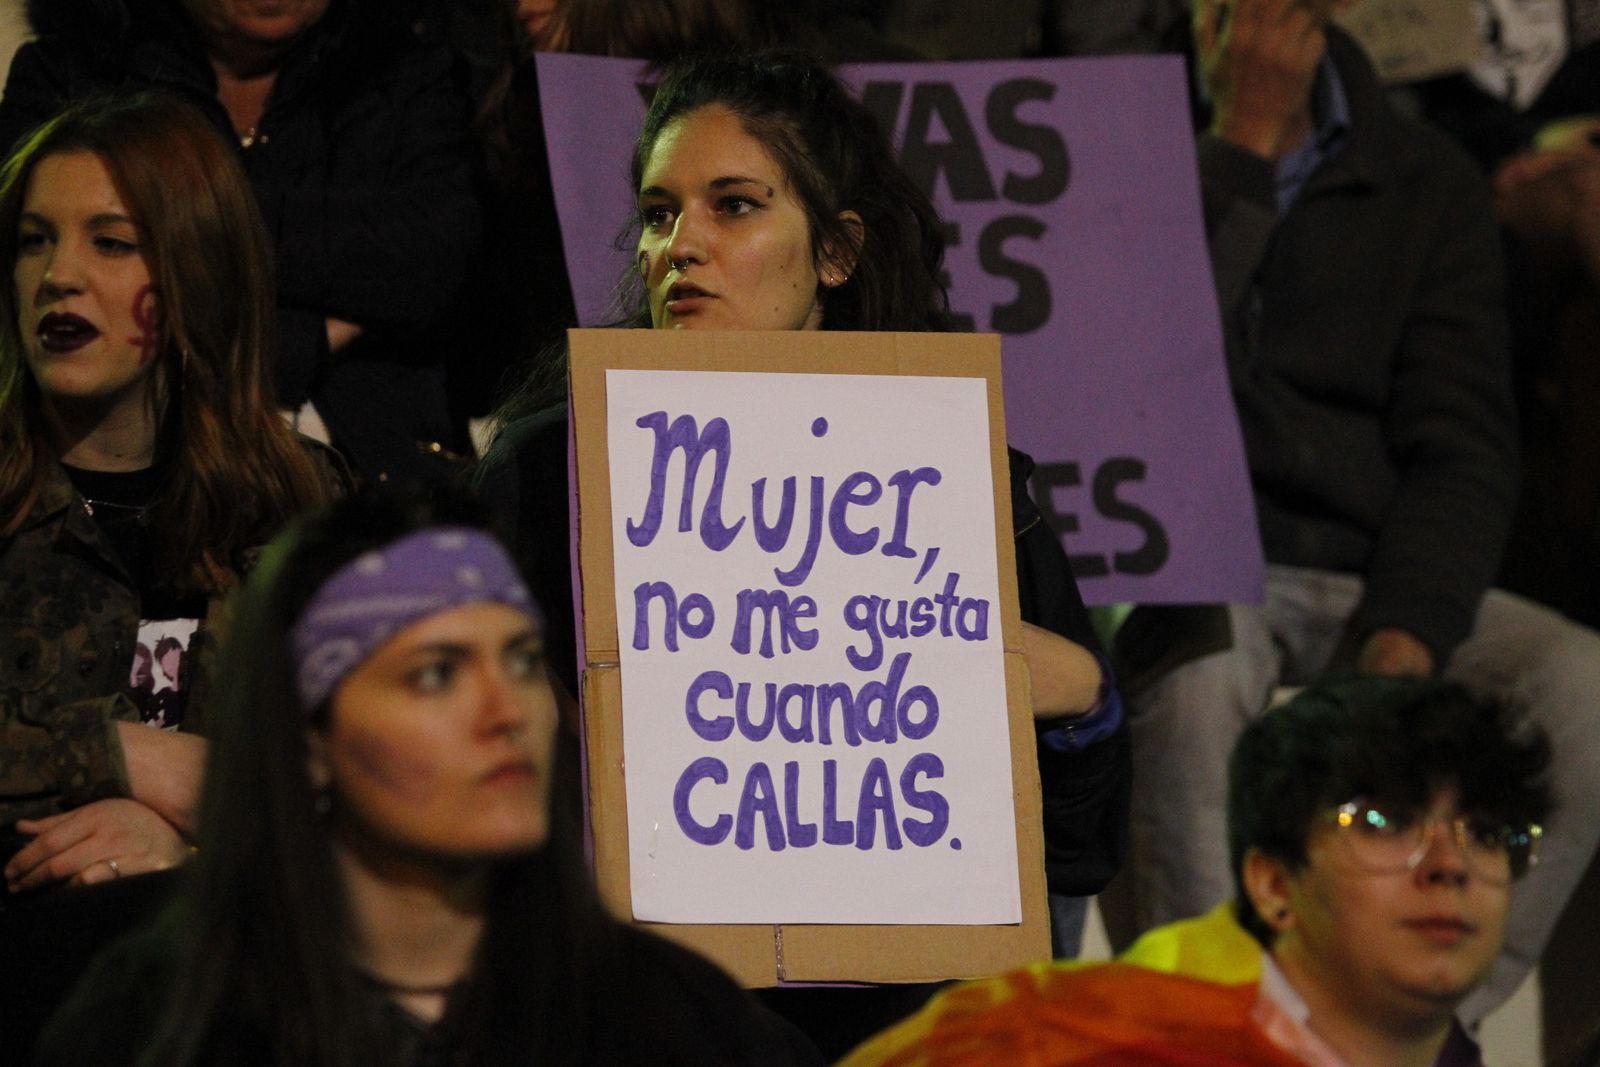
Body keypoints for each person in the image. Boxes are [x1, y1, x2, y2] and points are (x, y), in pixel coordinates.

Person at [476, 49, 1129, 1056]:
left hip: (902, 1013)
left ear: (834, 251)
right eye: (658, 214)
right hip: (633, 1003)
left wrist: (1082, 693)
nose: (678, 245)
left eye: (733, 205)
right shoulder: (542, 472)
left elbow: (1077, 851)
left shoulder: (960, 477)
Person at [1106, 0, 1600, 1022]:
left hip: (1364, 565)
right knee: (1194, 671)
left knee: (1581, 685)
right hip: (1190, 553)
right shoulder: (1113, 136)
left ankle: (1416, 1023)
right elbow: (1123, 372)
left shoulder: (1423, 179)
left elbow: (1462, 444)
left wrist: (1406, 633)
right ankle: (1212, 1025)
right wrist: (1239, 146)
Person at [35, 486, 821, 1066]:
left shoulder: (672, 1022)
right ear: (310, 739)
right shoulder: (159, 1023)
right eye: (437, 672)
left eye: (519, 660)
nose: (505, 708)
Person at [841, 675, 1552, 1067]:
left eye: (1487, 832)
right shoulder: (1058, 1043)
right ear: (1273, 883)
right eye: (1385, 822)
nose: (1451, 864)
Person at [0, 91, 336, 894]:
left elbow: (393, 783)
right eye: (32, 241)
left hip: (243, 988)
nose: (57, 276)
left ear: (197, 268)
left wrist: (194, 854)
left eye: (111, 243)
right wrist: (121, 756)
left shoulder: (304, 506)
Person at [0, 0, 483, 485]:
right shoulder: (72, 71)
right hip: (136, 462)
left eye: (112, 239)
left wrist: (178, 223)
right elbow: (38, 291)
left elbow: (437, 257)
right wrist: (308, 339)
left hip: (382, 471)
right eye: (116, 240)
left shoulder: (407, 69)